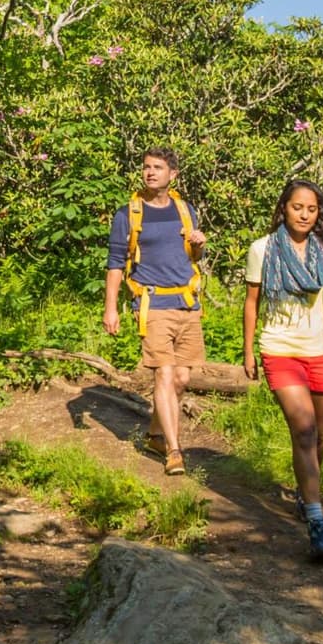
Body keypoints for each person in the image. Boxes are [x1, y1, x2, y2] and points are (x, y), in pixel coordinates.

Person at [242, 178, 323, 563]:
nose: (305, 215)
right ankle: (317, 519)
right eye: (298, 207)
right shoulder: (262, 249)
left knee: (319, 438)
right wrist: (248, 350)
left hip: (322, 350)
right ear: (284, 208)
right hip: (280, 349)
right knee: (305, 430)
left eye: (312, 209)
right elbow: (252, 302)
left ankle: (304, 493)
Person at [103, 148, 207, 475]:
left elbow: (192, 255)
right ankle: (175, 451)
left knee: (181, 378)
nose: (150, 173)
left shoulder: (185, 210)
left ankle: (154, 434)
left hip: (187, 303)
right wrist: (111, 309)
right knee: (163, 372)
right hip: (152, 304)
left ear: (172, 174)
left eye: (158, 168)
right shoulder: (128, 214)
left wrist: (199, 244)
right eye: (147, 167)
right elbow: (115, 264)